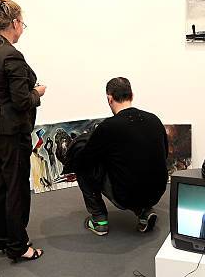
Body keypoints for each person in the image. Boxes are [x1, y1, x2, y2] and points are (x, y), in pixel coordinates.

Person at [0, 0, 46, 261]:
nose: (22, 29)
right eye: (22, 24)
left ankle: (3, 239)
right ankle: (18, 245)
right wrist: (37, 92)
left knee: (1, 183)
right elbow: (21, 101)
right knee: (16, 186)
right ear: (14, 23)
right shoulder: (12, 55)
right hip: (10, 132)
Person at [71, 77, 168, 236]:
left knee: (82, 165)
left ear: (109, 99)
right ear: (132, 95)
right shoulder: (154, 120)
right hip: (156, 192)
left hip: (126, 196)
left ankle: (99, 220)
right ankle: (144, 212)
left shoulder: (108, 127)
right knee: (135, 167)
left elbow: (84, 160)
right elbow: (164, 154)